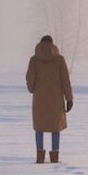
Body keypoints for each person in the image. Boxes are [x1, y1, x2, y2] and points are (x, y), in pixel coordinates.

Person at [25, 34, 74, 163]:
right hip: (56, 99)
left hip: (40, 99)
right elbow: (66, 80)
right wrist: (69, 98)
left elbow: (30, 83)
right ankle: (55, 156)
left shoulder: (34, 60)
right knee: (55, 128)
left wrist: (34, 89)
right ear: (53, 45)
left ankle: (40, 156)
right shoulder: (59, 60)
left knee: (39, 128)